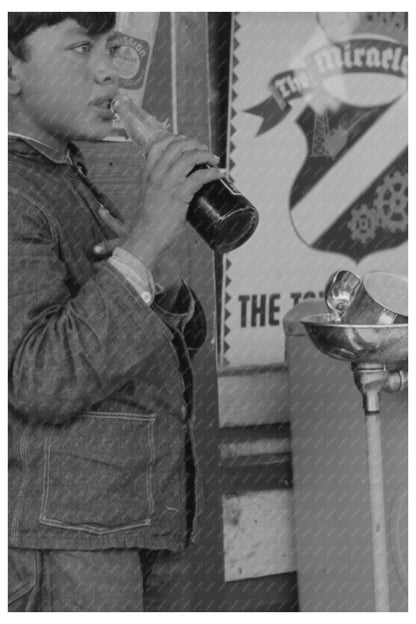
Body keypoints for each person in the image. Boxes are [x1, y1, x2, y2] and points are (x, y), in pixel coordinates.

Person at [8, 12, 223, 612]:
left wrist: (163, 277)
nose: (110, 71)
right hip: (67, 537)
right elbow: (38, 379)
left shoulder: (63, 172)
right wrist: (146, 239)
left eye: (111, 46)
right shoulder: (11, 192)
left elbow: (174, 344)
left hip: (137, 514)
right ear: (9, 70)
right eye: (81, 47)